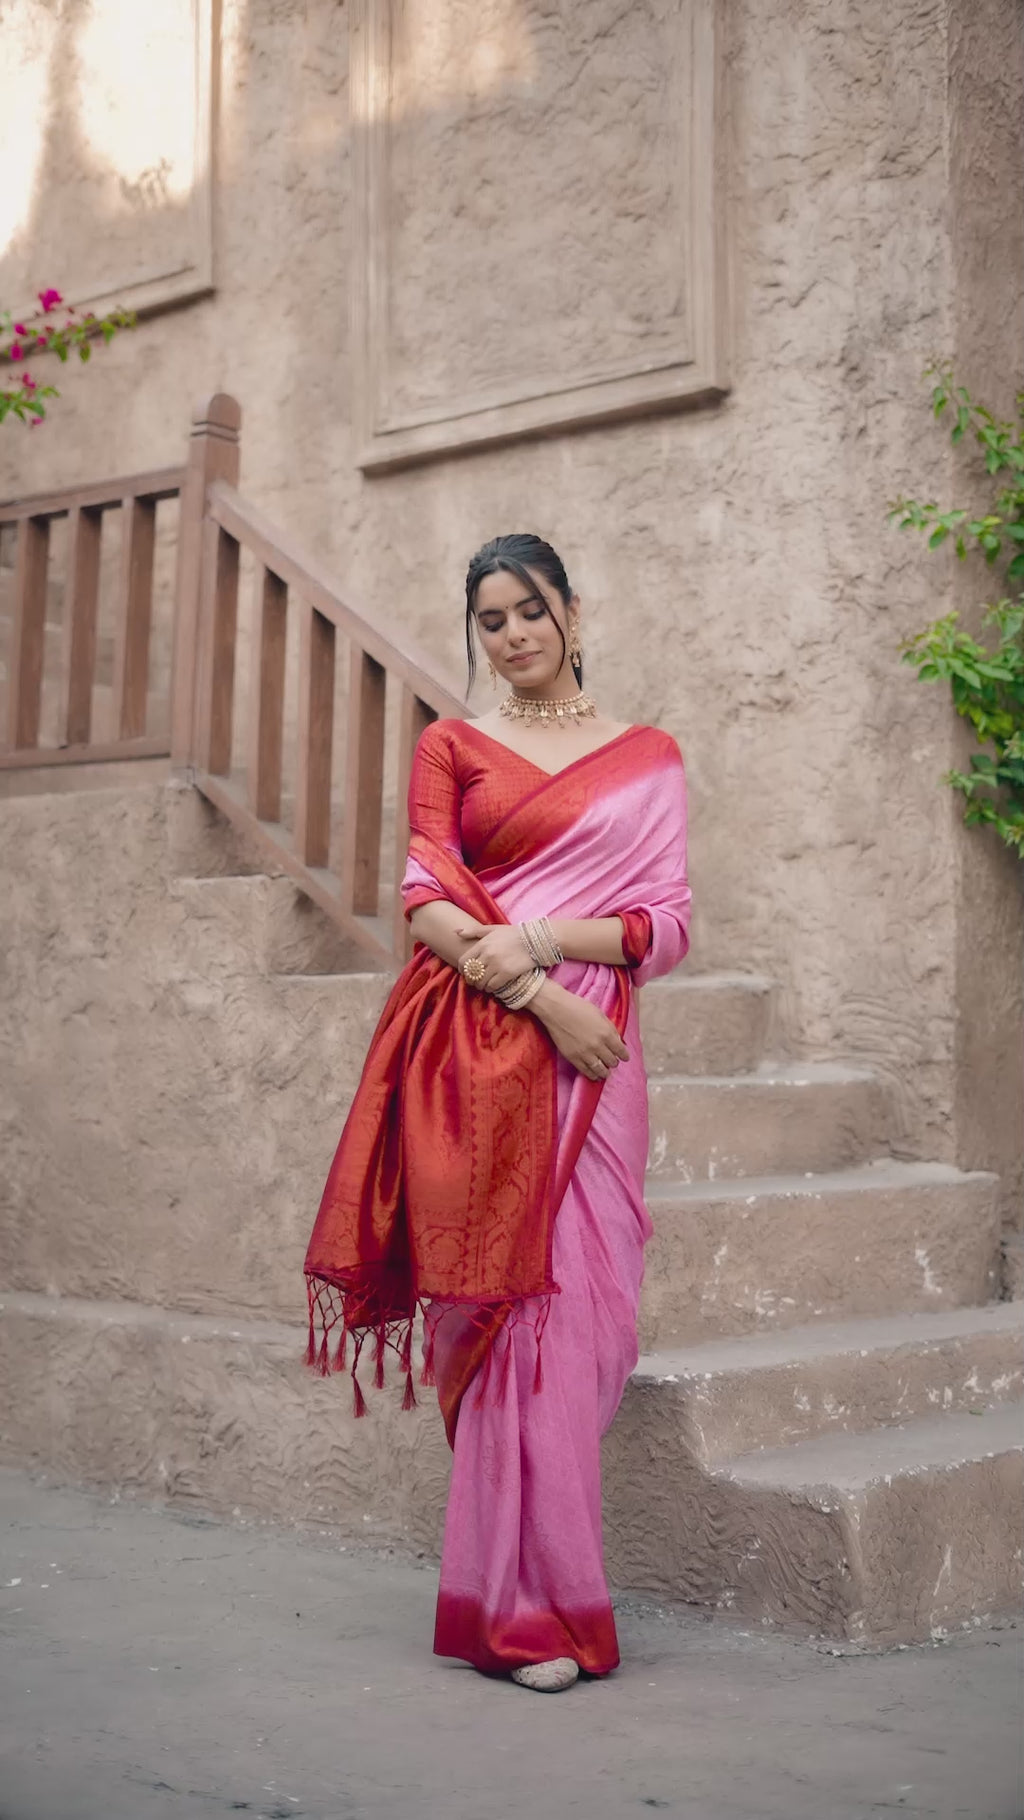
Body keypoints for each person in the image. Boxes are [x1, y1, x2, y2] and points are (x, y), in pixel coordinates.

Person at [305, 533, 692, 1693]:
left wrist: (540, 939)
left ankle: (551, 1577)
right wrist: (537, 996)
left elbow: (665, 925)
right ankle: (520, 1611)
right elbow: (424, 901)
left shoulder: (648, 756)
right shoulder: (453, 744)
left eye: (530, 609)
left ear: (572, 609)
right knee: (508, 1311)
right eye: (490, 618)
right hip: (482, 1051)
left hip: (596, 1060)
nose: (513, 633)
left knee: (590, 1321)